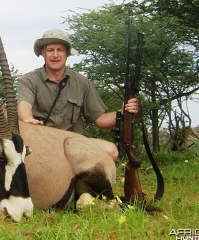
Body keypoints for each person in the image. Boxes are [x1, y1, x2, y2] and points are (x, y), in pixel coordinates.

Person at [17, 29, 139, 161]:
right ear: (42, 52)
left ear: (68, 53)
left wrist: (124, 112)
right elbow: (24, 104)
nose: (55, 55)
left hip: (73, 144)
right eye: (50, 50)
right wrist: (27, 118)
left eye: (60, 50)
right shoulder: (28, 80)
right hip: (42, 143)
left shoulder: (81, 82)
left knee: (111, 151)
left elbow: (101, 121)